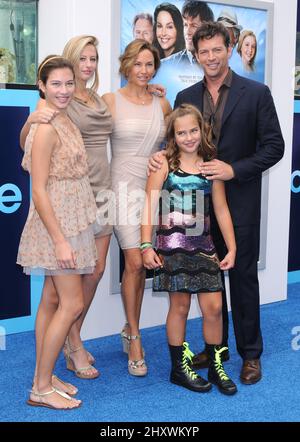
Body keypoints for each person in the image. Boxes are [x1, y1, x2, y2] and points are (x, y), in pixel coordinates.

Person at [149, 22, 285, 384]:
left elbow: (275, 147)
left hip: (237, 205)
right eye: (203, 52)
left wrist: (232, 169)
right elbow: (176, 145)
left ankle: (251, 355)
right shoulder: (186, 97)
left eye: (217, 50)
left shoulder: (256, 93)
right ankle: (217, 348)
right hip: (193, 216)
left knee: (242, 279)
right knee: (210, 285)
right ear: (196, 54)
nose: (210, 57)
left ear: (229, 49)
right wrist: (158, 158)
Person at [19, 35, 113, 380]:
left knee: (56, 296)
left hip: (83, 207)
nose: (64, 89)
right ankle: (44, 380)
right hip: (61, 216)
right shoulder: (49, 119)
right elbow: (38, 181)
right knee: (67, 300)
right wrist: (59, 238)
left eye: (68, 83)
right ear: (42, 86)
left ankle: (46, 374)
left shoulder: (75, 111)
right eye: (56, 83)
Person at [141, 104, 237, 395]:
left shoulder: (211, 165)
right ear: (173, 135)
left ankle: (215, 366)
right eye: (181, 132)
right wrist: (146, 245)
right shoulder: (164, 165)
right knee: (179, 307)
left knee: (215, 308)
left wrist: (231, 248)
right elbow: (148, 206)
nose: (189, 137)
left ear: (202, 130)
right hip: (172, 249)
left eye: (193, 130)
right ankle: (178, 370)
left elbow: (220, 209)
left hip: (205, 247)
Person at [102, 39, 171, 377]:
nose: (144, 71)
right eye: (138, 64)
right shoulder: (110, 101)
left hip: (153, 190)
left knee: (141, 265)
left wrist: (165, 157)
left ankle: (130, 328)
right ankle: (136, 335)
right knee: (133, 260)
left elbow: (175, 138)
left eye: (149, 64)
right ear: (126, 64)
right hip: (121, 188)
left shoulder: (162, 101)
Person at [152, 1, 214, 106]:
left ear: (207, 29)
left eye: (194, 25)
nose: (188, 32)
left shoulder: (217, 67)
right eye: (185, 25)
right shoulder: (162, 66)